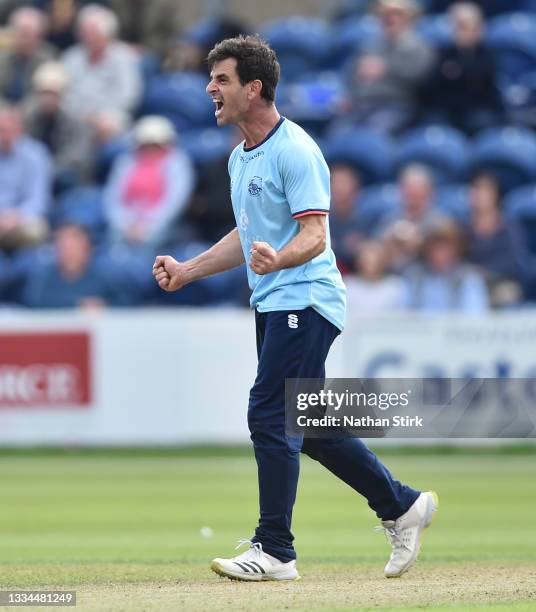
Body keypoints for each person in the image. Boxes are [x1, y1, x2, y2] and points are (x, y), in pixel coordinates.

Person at [152, 35, 437, 582]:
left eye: (223, 80)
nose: (210, 88)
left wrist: (278, 258)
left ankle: (275, 549)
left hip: (305, 298)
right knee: (307, 425)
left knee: (270, 412)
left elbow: (316, 235)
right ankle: (402, 506)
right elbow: (247, 236)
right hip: (278, 299)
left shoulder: (296, 150)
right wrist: (188, 270)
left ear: (253, 88)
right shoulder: (241, 157)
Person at [104, 115, 194, 247]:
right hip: (125, 226)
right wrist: (124, 224)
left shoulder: (177, 162)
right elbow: (113, 196)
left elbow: (174, 200)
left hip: (162, 227)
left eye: (155, 145)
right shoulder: (126, 161)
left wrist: (148, 227)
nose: (150, 150)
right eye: (146, 145)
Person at [349, 0, 434, 134]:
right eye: (386, 14)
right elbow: (351, 74)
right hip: (360, 106)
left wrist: (386, 69)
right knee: (338, 134)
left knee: (373, 134)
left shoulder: (419, 47)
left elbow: (422, 75)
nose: (391, 18)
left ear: (409, 18)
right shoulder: (369, 45)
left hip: (394, 107)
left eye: (397, 14)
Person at [424, 2, 501, 133]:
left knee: (482, 123)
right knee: (432, 124)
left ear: (478, 29)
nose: (458, 32)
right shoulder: (443, 52)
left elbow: (482, 81)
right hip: (446, 108)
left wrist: (457, 71)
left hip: (478, 107)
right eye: (456, 26)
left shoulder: (488, 54)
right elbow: (432, 84)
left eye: (463, 26)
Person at [61, 4, 141, 125]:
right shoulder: (71, 57)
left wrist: (100, 115)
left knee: (109, 125)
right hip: (75, 116)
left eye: (93, 34)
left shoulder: (124, 57)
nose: (88, 38)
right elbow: (64, 92)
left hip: (110, 116)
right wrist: (81, 113)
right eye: (84, 33)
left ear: (107, 35)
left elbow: (128, 96)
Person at [23, 61, 93, 191]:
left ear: (62, 95)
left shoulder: (76, 118)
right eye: (44, 93)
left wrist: (51, 168)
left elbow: (77, 154)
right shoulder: (28, 116)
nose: (48, 99)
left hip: (64, 172)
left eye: (53, 94)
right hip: (34, 169)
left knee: (66, 178)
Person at [404, 217, 489, 311]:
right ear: (426, 250)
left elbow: (474, 319)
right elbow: (405, 315)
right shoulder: (414, 277)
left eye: (446, 249)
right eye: (435, 249)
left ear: (456, 250)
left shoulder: (469, 279)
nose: (439, 255)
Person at [0, 105, 51, 250]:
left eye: (6, 131)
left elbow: (39, 199)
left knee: (36, 231)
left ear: (19, 130)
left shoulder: (36, 155)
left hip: (23, 220)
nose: (3, 136)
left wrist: (16, 217)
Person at [0, 7, 56, 102]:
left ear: (39, 36)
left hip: (33, 113)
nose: (25, 40)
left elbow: (44, 96)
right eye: (21, 35)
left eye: (29, 35)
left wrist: (21, 112)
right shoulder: (3, 57)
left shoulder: (48, 59)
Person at [346, 240, 407, 314]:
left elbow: (403, 317)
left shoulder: (396, 286)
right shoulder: (346, 285)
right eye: (366, 261)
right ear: (358, 262)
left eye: (376, 261)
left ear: (384, 262)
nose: (371, 267)